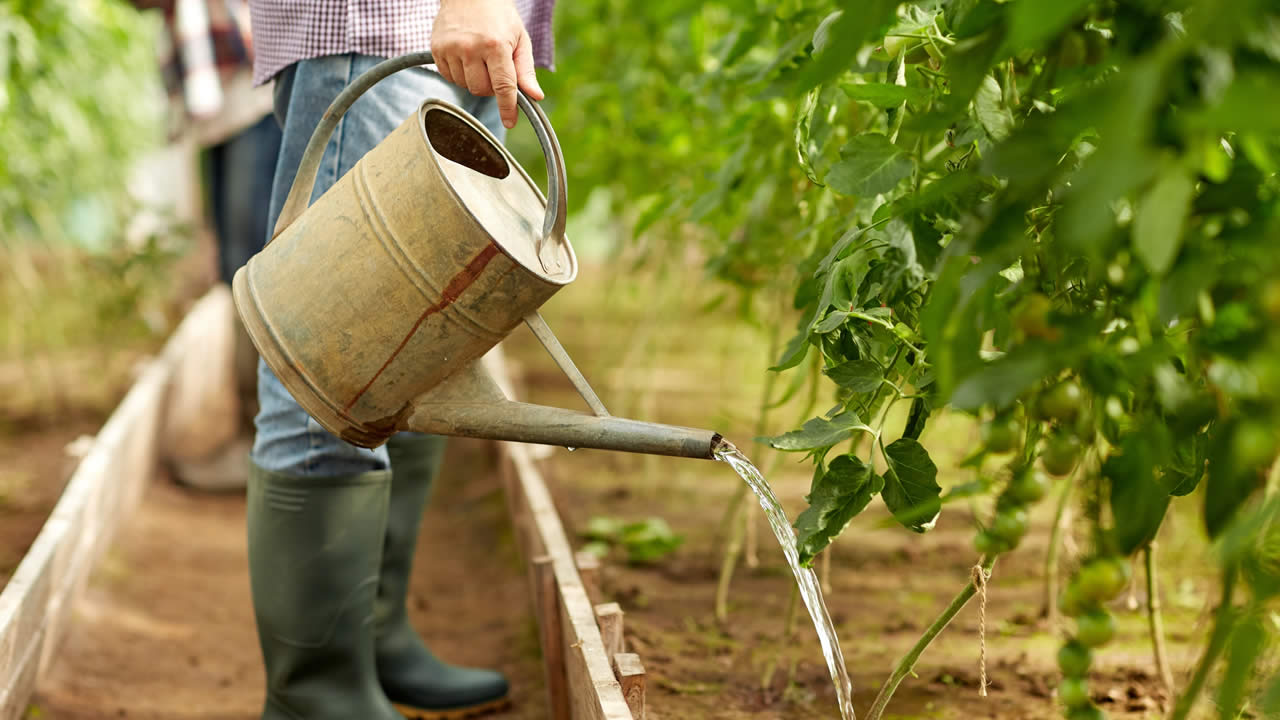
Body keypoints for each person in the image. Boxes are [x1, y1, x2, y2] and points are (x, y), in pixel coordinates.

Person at [242, 1, 554, 718]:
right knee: (335, 364)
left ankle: (373, 644)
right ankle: (317, 694)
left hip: (467, 25)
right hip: (381, 22)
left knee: (414, 350)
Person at [128, 0, 283, 492]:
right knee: (237, 270)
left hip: (255, 92)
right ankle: (257, 439)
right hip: (220, 102)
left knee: (258, 268)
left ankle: (265, 444)